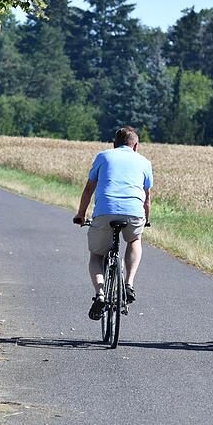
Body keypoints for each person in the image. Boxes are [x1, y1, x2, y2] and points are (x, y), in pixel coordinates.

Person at [73, 126, 153, 320]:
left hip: (104, 211)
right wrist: (147, 220)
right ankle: (129, 284)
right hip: (134, 212)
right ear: (136, 146)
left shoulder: (103, 156)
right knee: (134, 241)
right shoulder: (144, 162)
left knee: (96, 256)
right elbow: (147, 197)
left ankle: (100, 294)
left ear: (114, 144)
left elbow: (88, 189)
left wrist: (81, 214)